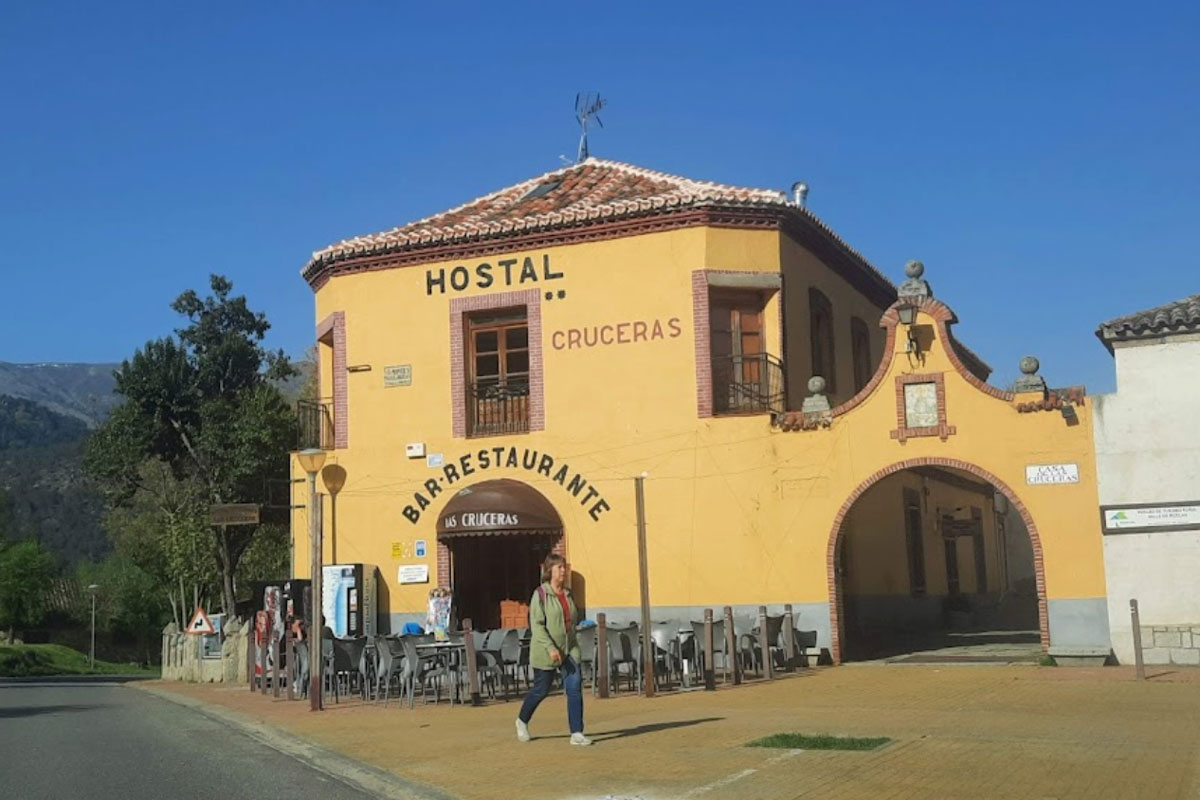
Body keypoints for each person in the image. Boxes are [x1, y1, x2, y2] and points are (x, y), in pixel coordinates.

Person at [516, 553, 591, 746]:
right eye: (559, 568)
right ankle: (522, 720)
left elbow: (573, 618)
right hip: (546, 651)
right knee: (541, 689)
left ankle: (576, 733)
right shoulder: (540, 595)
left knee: (574, 688)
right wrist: (551, 647)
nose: (563, 571)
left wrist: (573, 636)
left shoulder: (568, 594)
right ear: (550, 571)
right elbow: (537, 625)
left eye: (564, 567)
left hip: (569, 648)